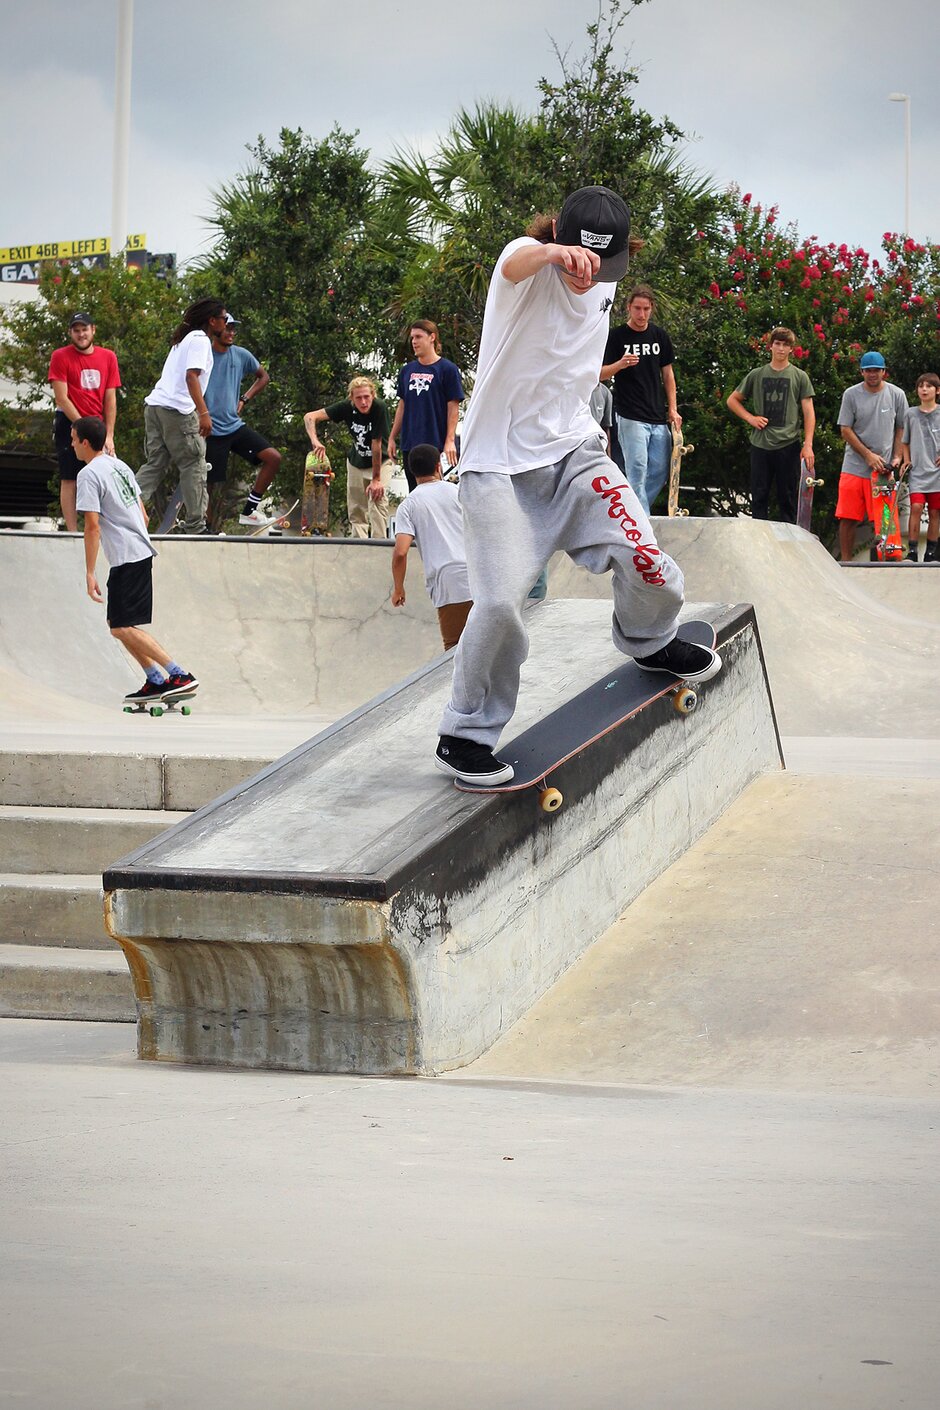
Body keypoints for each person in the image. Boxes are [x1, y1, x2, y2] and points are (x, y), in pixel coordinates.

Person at [434, 187, 721, 785]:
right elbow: (515, 258)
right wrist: (551, 256)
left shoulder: (608, 284)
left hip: (574, 453)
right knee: (497, 601)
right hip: (499, 470)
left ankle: (649, 638)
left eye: (602, 267)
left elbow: (572, 355)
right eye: (580, 264)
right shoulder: (524, 272)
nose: (588, 279)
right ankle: (465, 735)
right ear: (560, 241)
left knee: (646, 555)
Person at [72, 415, 198, 705]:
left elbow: (92, 526)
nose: (72, 445)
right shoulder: (120, 466)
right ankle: (154, 679)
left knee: (121, 627)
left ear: (86, 442)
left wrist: (90, 573)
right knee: (117, 624)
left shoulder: (88, 474)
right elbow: (143, 514)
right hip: (138, 551)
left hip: (127, 556)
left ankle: (178, 674)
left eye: (73, 439)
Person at [136, 298, 228, 535]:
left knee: (155, 464)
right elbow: (191, 377)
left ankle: (121, 507)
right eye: (224, 319)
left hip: (155, 407)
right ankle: (197, 526)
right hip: (178, 411)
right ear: (212, 321)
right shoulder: (200, 340)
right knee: (193, 463)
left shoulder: (183, 340)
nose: (226, 325)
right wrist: (204, 413)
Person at [600, 284, 681, 515]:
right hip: (629, 414)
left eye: (646, 309)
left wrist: (673, 410)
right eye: (637, 308)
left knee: (660, 469)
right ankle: (642, 521)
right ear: (628, 308)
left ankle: (632, 511)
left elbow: (668, 375)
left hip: (656, 415)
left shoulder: (659, 336)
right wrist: (620, 364)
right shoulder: (617, 337)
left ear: (652, 309)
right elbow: (600, 374)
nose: (641, 314)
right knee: (637, 468)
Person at [726, 327, 816, 522]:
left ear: (792, 349)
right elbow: (732, 400)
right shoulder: (756, 374)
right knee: (758, 497)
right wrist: (751, 418)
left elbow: (809, 411)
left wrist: (807, 444)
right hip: (760, 444)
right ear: (770, 346)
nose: (781, 349)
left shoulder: (800, 376)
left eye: (786, 345)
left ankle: (788, 545)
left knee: (788, 498)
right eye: (778, 344)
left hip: (788, 443)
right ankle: (760, 545)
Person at [390, 443, 472, 650]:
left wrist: (398, 588)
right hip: (479, 576)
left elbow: (401, 552)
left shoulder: (409, 505)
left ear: (411, 471)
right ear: (438, 466)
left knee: (454, 649)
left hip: (449, 583)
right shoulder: (459, 492)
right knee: (488, 644)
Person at [204, 314, 282, 529]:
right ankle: (205, 528)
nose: (231, 333)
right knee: (208, 484)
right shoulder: (204, 355)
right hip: (210, 430)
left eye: (233, 329)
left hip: (233, 426)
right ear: (216, 329)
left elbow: (263, 376)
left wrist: (244, 399)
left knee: (273, 458)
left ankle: (249, 511)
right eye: (227, 328)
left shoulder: (240, 355)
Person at [48, 312, 122, 531]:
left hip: (97, 424)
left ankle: (104, 528)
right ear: (71, 333)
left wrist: (109, 434)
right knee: (70, 477)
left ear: (93, 330)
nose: (81, 334)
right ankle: (72, 531)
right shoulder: (60, 356)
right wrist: (80, 425)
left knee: (105, 474)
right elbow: (61, 396)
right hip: (69, 421)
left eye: (85, 329)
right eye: (76, 330)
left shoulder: (108, 357)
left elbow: (110, 398)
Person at [835, 350, 908, 562]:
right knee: (848, 516)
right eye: (868, 371)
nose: (872, 374)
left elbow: (902, 428)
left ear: (884, 371)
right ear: (861, 372)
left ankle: (889, 561)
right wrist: (868, 455)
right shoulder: (851, 394)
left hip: (883, 470)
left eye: (876, 370)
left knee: (886, 520)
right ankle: (846, 564)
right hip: (854, 466)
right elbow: (845, 430)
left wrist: (896, 457)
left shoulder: (897, 395)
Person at [304, 377, 393, 538]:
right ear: (351, 398)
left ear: (373, 395)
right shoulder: (346, 407)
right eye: (358, 398)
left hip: (381, 461)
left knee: (377, 501)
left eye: (367, 397)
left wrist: (376, 479)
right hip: (356, 461)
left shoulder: (379, 408)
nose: (363, 402)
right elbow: (310, 417)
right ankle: (359, 545)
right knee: (356, 508)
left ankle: (379, 545)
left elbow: (377, 445)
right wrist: (315, 441)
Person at [387, 321, 464, 491]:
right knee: (415, 492)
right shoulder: (406, 370)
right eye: (412, 337)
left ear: (432, 338)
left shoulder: (447, 369)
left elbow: (453, 406)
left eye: (418, 337)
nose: (414, 341)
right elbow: (402, 404)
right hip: (410, 443)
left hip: (435, 442)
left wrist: (450, 441)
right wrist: (392, 437)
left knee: (436, 491)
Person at [899, 372, 940, 562]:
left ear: (937, 390)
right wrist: (906, 460)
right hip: (917, 471)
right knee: (916, 507)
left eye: (929, 386)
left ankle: (931, 553)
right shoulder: (910, 414)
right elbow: (904, 441)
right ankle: (912, 551)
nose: (924, 389)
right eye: (921, 386)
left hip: (937, 472)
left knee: (934, 512)